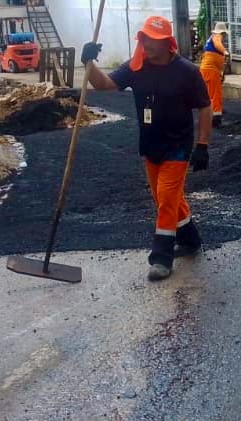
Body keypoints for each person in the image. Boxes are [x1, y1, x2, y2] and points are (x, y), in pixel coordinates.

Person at [82, 15, 212, 281]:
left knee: (166, 198)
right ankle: (190, 238)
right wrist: (88, 62)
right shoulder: (136, 67)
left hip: (178, 145)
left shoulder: (187, 72)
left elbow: (205, 107)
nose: (146, 44)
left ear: (167, 43)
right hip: (151, 145)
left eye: (152, 40)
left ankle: (161, 258)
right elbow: (104, 85)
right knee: (164, 198)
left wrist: (202, 145)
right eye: (143, 38)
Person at [200, 22, 229, 127]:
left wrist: (221, 74)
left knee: (210, 94)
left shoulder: (211, 41)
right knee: (215, 94)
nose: (224, 37)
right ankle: (216, 119)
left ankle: (210, 114)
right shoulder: (217, 37)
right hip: (210, 71)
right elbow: (218, 44)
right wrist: (225, 52)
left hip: (209, 70)